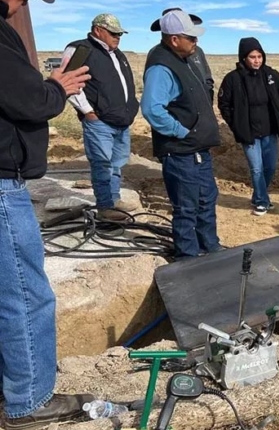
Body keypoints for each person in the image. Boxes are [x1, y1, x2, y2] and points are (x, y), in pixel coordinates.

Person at [1, 0, 96, 428]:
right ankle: (28, 401)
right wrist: (57, 87)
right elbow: (29, 101)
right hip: (2, 186)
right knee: (26, 296)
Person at [141, 9, 222, 260]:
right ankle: (188, 259)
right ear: (174, 39)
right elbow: (152, 109)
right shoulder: (161, 66)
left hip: (197, 150)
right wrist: (180, 131)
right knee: (187, 208)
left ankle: (210, 249)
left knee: (206, 201)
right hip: (180, 153)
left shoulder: (184, 59)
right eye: (191, 37)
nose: (196, 41)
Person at [62, 13, 139, 221]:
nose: (118, 37)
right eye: (113, 33)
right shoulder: (81, 50)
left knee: (116, 163)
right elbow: (69, 82)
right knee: (102, 164)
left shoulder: (117, 54)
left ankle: (114, 199)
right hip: (100, 122)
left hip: (121, 121)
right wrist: (88, 111)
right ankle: (105, 207)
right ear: (98, 30)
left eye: (120, 34)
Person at [218, 37, 279, 216]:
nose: (257, 60)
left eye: (259, 56)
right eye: (252, 57)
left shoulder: (271, 75)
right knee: (256, 168)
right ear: (244, 58)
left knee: (270, 167)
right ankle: (261, 201)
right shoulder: (233, 79)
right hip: (248, 132)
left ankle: (259, 195)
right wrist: (235, 124)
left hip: (270, 130)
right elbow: (224, 104)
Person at [149, 7, 214, 100]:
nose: (195, 40)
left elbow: (207, 79)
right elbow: (153, 104)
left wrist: (207, 99)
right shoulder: (157, 56)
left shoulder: (198, 51)